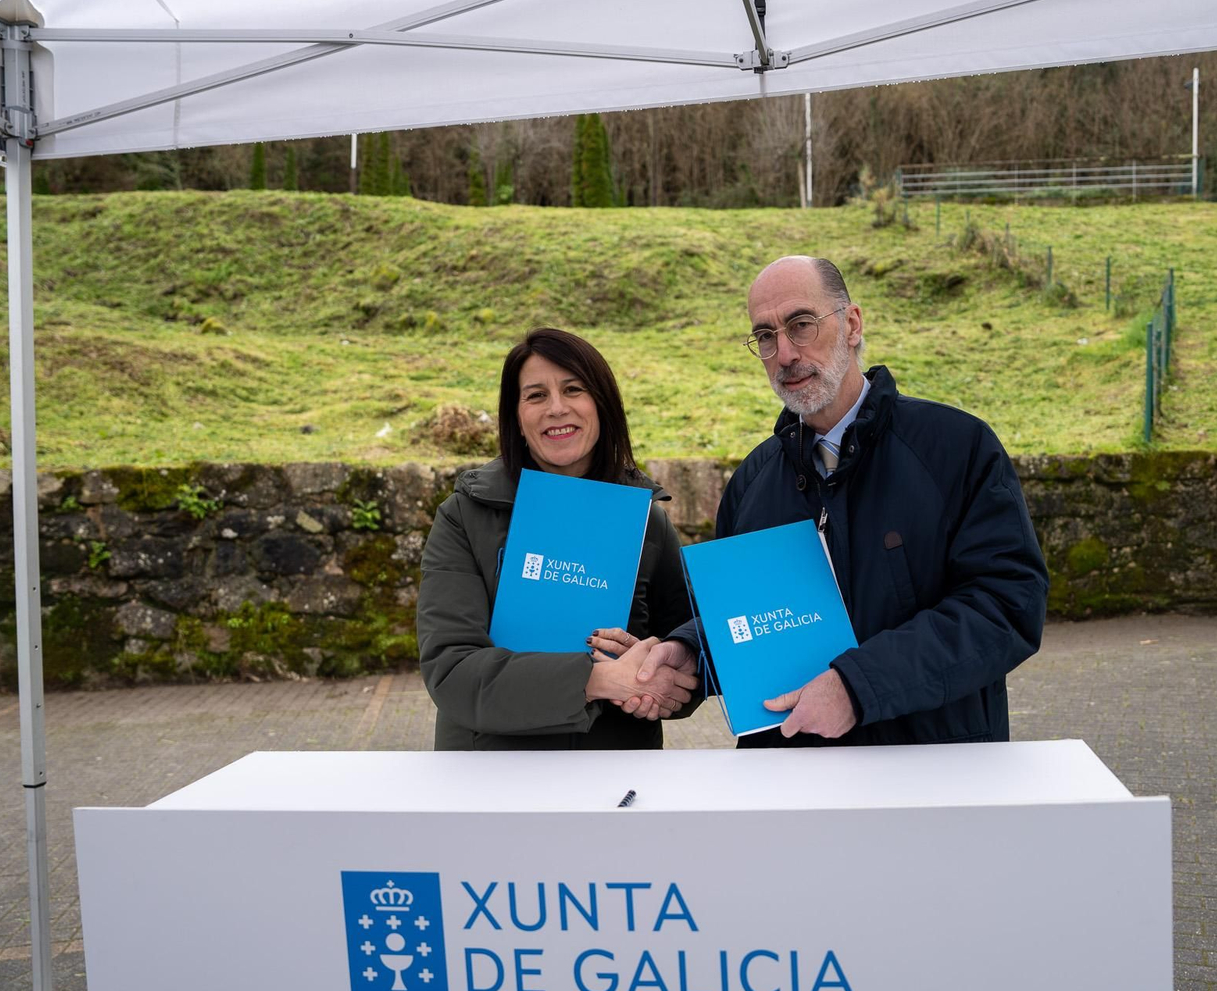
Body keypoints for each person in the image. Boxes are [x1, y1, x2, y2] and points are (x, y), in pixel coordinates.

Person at [630, 255, 1049, 746]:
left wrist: (857, 686)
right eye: (765, 336)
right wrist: (693, 652)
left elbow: (1006, 605)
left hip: (931, 776)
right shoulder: (751, 482)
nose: (784, 353)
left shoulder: (957, 449)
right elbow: (751, 617)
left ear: (851, 323)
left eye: (801, 325)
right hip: (792, 784)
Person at [416, 327, 699, 750]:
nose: (556, 408)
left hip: (615, 772)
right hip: (490, 769)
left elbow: (684, 661)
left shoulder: (647, 522)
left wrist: (649, 673)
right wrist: (598, 679)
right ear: (516, 416)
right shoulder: (464, 516)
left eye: (573, 389)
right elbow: (451, 670)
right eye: (535, 396)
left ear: (602, 404)